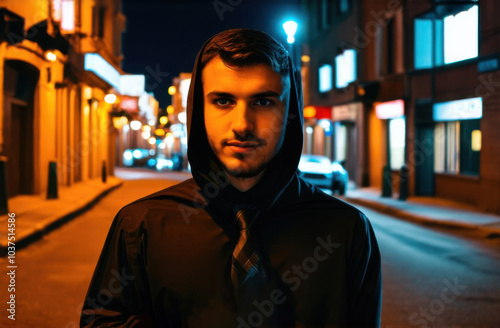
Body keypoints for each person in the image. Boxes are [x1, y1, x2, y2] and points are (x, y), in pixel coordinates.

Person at [80, 28, 382, 327]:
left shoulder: (346, 231)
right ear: (199, 109)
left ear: (290, 110)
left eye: (263, 102)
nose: (242, 124)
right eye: (223, 101)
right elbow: (102, 320)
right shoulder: (143, 226)